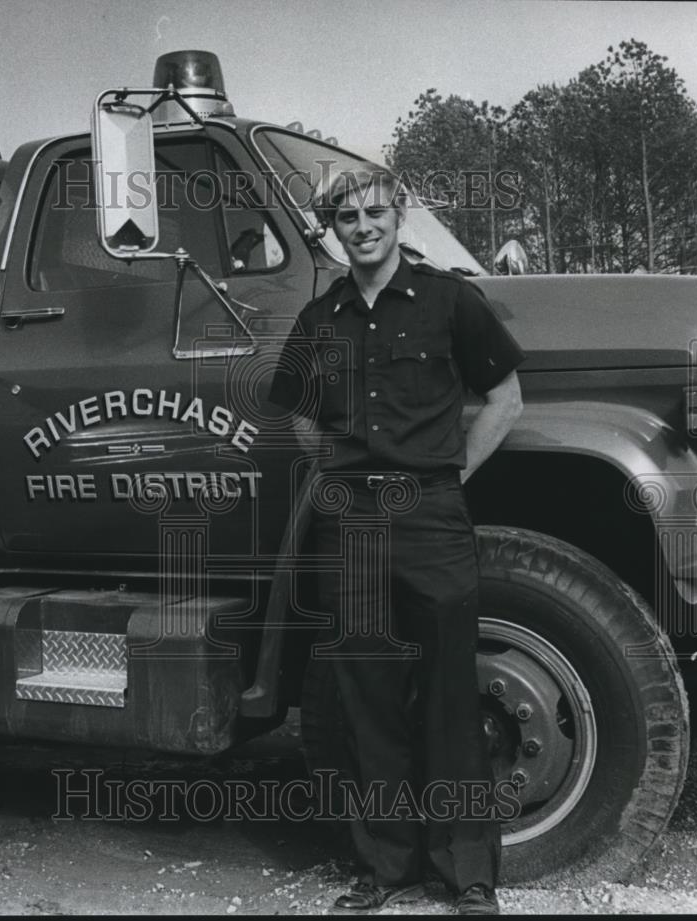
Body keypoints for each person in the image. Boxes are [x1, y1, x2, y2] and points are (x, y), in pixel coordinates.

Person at [268, 167, 524, 915]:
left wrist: (449, 477)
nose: (362, 226)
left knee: (449, 696)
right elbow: (300, 413)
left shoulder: (450, 300)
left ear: (398, 214)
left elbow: (505, 398)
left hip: (433, 519)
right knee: (366, 702)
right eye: (346, 217)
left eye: (374, 212)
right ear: (334, 230)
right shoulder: (321, 320)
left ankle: (467, 873)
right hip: (351, 527)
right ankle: (386, 869)